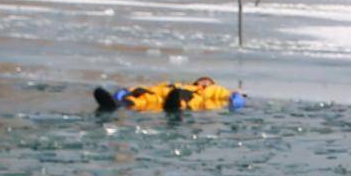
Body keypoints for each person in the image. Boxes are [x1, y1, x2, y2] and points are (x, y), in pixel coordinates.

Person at [95, 76, 242, 113]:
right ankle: (118, 104)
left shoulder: (212, 90)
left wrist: (236, 99)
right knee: (142, 98)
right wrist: (124, 93)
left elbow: (233, 98)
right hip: (158, 96)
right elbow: (152, 88)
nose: (203, 81)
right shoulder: (176, 84)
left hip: (184, 98)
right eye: (202, 79)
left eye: (207, 81)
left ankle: (175, 105)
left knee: (183, 99)